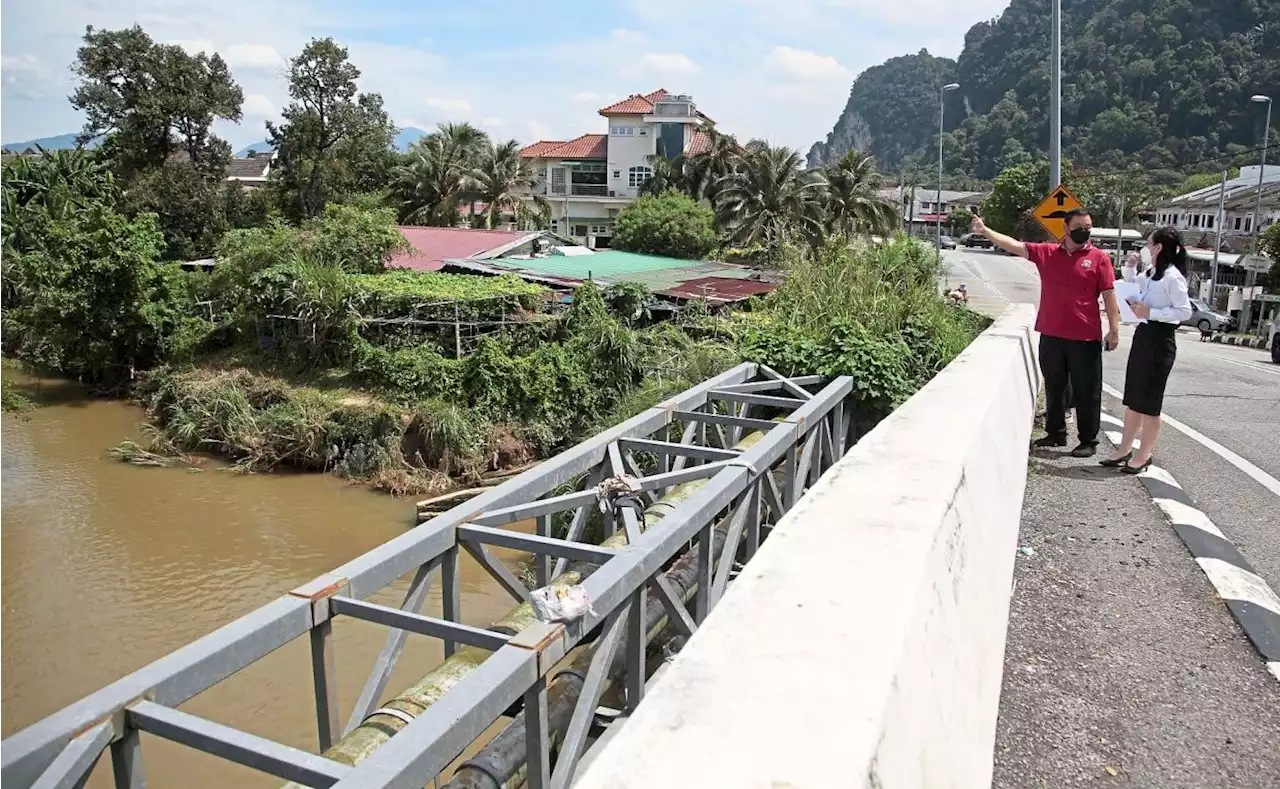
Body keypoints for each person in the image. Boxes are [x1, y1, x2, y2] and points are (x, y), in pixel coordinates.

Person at [971, 209, 1121, 457]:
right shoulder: (1048, 253)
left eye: (1088, 226)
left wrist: (1114, 330)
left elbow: (1109, 295)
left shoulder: (1099, 259)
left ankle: (1088, 440)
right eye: (1080, 226)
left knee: (1087, 391)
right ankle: (1055, 434)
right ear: (1066, 228)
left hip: (1085, 338)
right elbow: (1015, 246)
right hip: (1051, 335)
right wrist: (985, 231)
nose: (1085, 231)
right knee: (1054, 387)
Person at [1100, 226, 1193, 473]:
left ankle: (1144, 454)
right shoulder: (1151, 273)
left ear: (1158, 247)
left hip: (1160, 340)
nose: (1145, 247)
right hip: (1143, 336)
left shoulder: (1173, 277)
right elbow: (1132, 285)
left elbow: (1184, 311)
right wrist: (1130, 267)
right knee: (1133, 399)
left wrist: (1152, 313)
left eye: (1149, 243)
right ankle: (1124, 449)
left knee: (1150, 403)